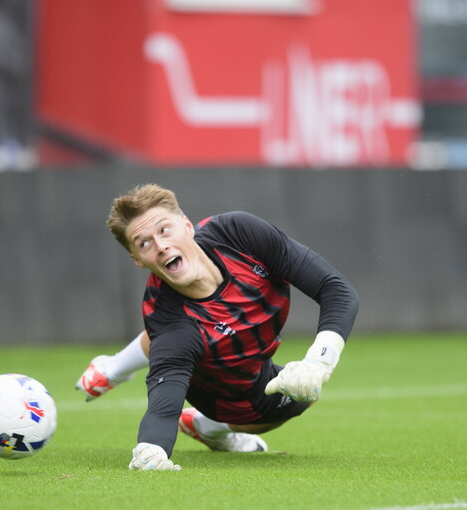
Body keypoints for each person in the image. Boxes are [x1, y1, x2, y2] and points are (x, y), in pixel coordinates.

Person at [75, 184, 359, 471]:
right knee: (276, 407)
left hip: (244, 344)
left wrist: (318, 362)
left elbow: (335, 289)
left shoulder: (240, 233)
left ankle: (112, 368)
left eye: (165, 230)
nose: (161, 246)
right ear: (137, 260)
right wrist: (151, 449)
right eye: (144, 244)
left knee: (303, 390)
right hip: (213, 372)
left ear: (187, 225)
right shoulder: (170, 323)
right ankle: (205, 424)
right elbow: (163, 404)